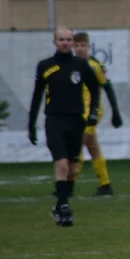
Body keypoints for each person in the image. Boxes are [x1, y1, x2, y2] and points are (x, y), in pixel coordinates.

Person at [27, 27, 102, 227]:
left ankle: (60, 205)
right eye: (62, 39)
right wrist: (31, 124)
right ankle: (65, 207)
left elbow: (95, 89)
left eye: (69, 39)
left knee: (72, 166)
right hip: (54, 120)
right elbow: (37, 96)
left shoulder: (81, 65)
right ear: (55, 42)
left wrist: (93, 112)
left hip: (76, 120)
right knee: (61, 163)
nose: (66, 43)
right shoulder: (45, 66)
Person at [72, 32, 124, 196]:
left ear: (88, 46)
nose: (80, 49)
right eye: (77, 45)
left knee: (77, 145)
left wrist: (116, 112)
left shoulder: (95, 65)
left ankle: (67, 186)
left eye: (83, 45)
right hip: (76, 112)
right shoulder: (69, 65)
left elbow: (108, 88)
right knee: (92, 147)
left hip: (92, 112)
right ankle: (105, 185)